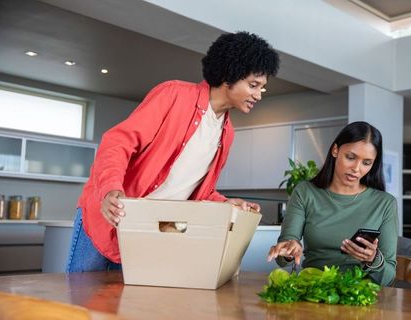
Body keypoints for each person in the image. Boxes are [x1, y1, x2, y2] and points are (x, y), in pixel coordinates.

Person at [67, 31, 280, 272]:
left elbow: (196, 192)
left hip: (145, 233)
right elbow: (117, 143)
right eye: (253, 85)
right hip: (106, 217)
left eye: (262, 88)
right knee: (79, 302)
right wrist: (110, 190)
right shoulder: (173, 95)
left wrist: (227, 203)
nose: (259, 94)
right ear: (228, 75)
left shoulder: (226, 133)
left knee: (121, 307)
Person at [267, 121, 398, 285]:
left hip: (361, 295)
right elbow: (282, 258)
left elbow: (388, 278)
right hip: (314, 289)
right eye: (350, 157)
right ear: (335, 150)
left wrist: (373, 259)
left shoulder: (385, 203)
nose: (357, 168)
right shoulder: (305, 192)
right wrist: (287, 250)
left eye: (366, 163)